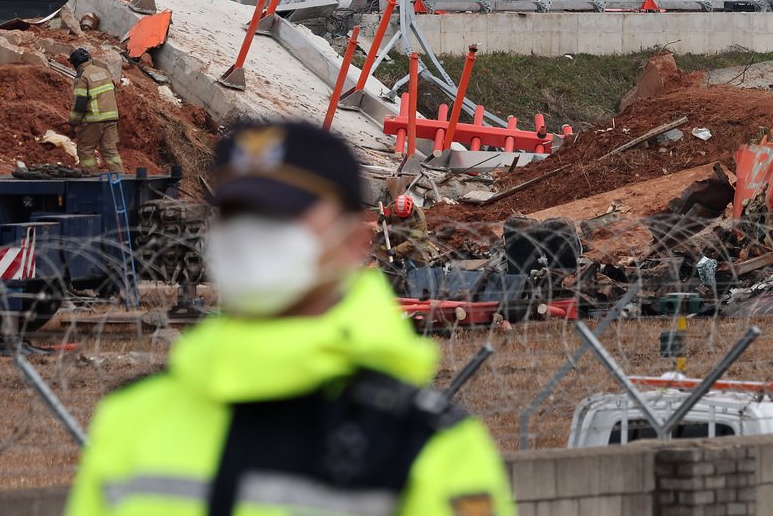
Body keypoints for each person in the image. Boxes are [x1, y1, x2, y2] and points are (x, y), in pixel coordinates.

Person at [65, 120, 515, 516]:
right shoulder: (130, 418)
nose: (252, 235)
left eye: (283, 216)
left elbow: (411, 242)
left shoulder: (425, 448)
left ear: (354, 242)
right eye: (237, 215)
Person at [68, 47, 122, 173]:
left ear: (76, 64)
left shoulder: (83, 76)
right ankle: (120, 179)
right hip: (112, 118)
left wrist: (73, 122)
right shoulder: (104, 72)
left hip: (94, 119)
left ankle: (91, 179)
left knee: (85, 150)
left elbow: (80, 104)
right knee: (110, 151)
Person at [379, 192, 429, 261]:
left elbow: (413, 241)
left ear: (411, 209)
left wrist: (396, 251)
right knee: (380, 246)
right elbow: (386, 217)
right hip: (397, 238)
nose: (402, 219)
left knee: (415, 265)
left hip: (415, 245)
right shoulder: (392, 206)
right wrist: (381, 219)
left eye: (404, 217)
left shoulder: (419, 219)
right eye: (399, 216)